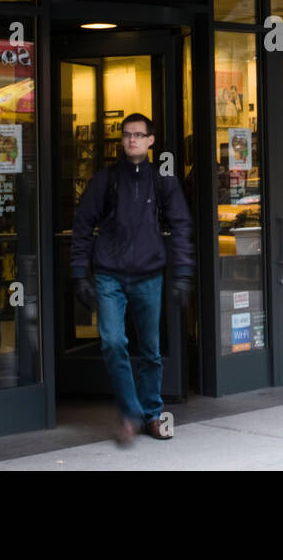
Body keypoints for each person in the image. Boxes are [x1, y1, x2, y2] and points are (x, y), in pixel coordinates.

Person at [71, 112, 194, 443]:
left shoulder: (162, 182)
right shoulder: (105, 181)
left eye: (139, 135)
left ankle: (152, 414)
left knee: (151, 350)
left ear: (151, 141)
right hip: (110, 276)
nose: (132, 140)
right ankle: (130, 414)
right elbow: (82, 227)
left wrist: (182, 274)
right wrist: (79, 273)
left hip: (149, 276)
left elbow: (182, 227)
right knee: (113, 342)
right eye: (127, 135)